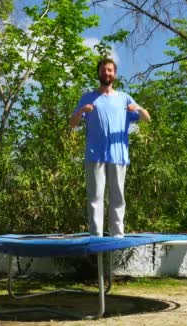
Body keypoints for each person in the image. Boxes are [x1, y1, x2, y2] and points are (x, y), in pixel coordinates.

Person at [69, 58, 151, 238]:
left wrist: (136, 107)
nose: (107, 73)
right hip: (94, 155)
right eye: (104, 70)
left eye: (110, 70)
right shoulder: (88, 98)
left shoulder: (124, 98)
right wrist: (82, 110)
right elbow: (72, 123)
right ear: (98, 73)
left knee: (118, 197)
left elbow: (147, 118)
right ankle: (96, 237)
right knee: (95, 198)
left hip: (118, 155)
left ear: (114, 74)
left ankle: (117, 237)